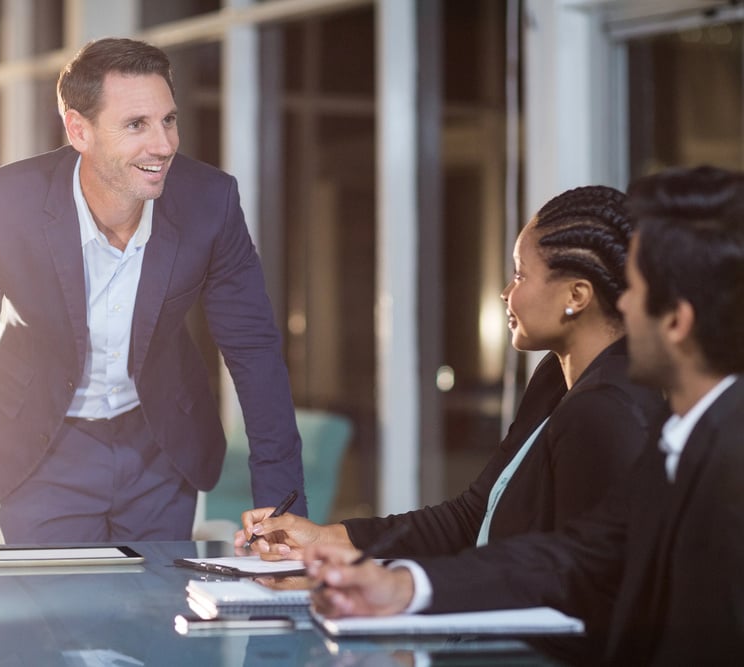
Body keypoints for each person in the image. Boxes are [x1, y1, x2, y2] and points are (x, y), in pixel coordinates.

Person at [0, 37, 306, 557]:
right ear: (79, 130)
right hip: (43, 445)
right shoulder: (6, 204)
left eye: (168, 120)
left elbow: (254, 351)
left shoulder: (210, 202)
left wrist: (284, 513)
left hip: (160, 445)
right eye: (135, 125)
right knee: (55, 623)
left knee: (155, 620)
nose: (164, 144)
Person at [304, 165, 744, 666]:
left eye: (633, 289)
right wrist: (401, 586)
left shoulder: (728, 460)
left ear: (676, 321)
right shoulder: (684, 437)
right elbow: (574, 557)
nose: (619, 302)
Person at [237, 186, 665, 561]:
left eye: (519, 275)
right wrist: (325, 540)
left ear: (577, 295)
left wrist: (397, 590)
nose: (505, 293)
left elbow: (575, 580)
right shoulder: (555, 379)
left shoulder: (609, 412)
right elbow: (472, 516)